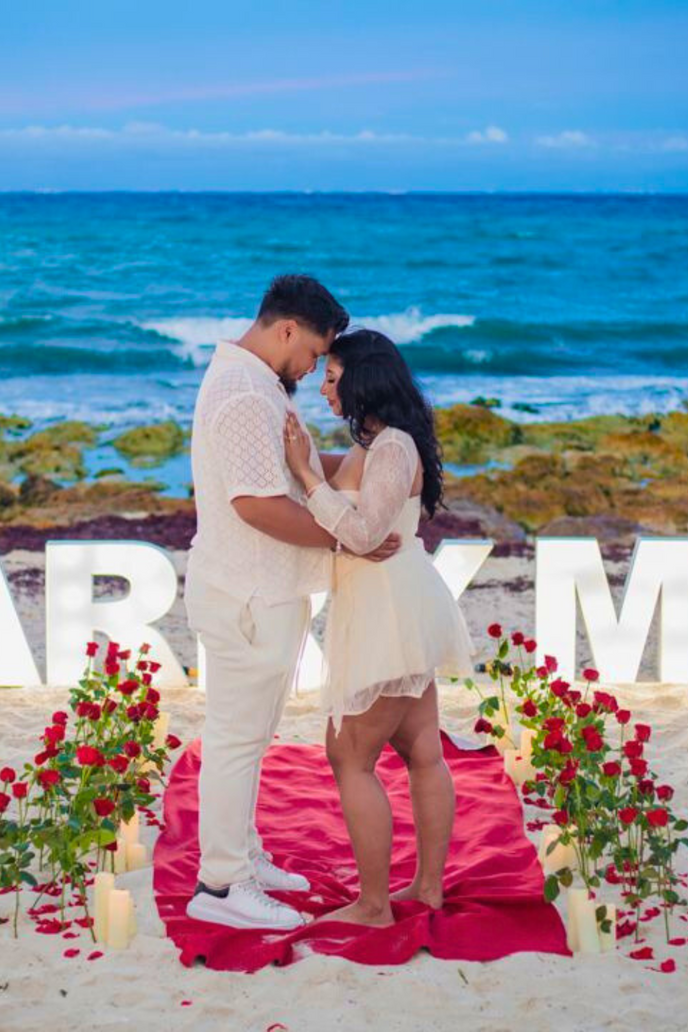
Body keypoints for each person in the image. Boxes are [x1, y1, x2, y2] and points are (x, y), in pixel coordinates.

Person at [183, 275, 403, 931]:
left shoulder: (249, 381)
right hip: (250, 593)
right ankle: (221, 886)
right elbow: (255, 505)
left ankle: (242, 855)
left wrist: (379, 453)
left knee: (247, 740)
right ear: (285, 330)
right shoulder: (248, 394)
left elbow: (282, 476)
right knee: (234, 741)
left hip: (258, 589)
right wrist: (348, 543)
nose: (314, 368)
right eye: (313, 351)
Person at [282, 328, 477, 927]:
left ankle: (373, 905)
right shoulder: (377, 443)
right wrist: (306, 458)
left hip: (390, 605)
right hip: (396, 601)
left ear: (364, 379)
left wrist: (308, 478)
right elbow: (355, 509)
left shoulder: (393, 446)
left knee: (349, 756)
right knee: (421, 748)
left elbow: (364, 534)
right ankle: (426, 889)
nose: (322, 387)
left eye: (332, 377)